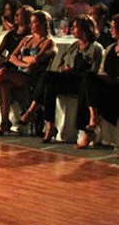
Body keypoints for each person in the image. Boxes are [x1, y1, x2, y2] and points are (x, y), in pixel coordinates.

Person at [0, 10, 55, 136]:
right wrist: (25, 63)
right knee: (4, 85)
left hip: (34, 77)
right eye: (31, 22)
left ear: (44, 24)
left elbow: (37, 59)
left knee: (3, 72)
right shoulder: (27, 39)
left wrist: (21, 59)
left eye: (35, 22)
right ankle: (4, 122)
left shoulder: (48, 42)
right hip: (21, 72)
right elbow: (12, 56)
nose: (31, 25)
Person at [18, 14, 103, 143]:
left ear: (85, 29)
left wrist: (73, 71)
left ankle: (31, 111)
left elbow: (93, 73)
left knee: (48, 77)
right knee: (49, 84)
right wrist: (63, 69)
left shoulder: (95, 48)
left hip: (82, 83)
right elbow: (62, 64)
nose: (73, 30)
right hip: (69, 79)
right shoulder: (74, 46)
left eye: (75, 27)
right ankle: (50, 125)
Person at [75, 14, 119, 149]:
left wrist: (113, 80)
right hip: (108, 84)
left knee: (88, 84)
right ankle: (91, 120)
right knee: (88, 78)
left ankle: (90, 127)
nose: (111, 30)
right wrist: (103, 77)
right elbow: (101, 70)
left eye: (114, 27)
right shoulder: (111, 48)